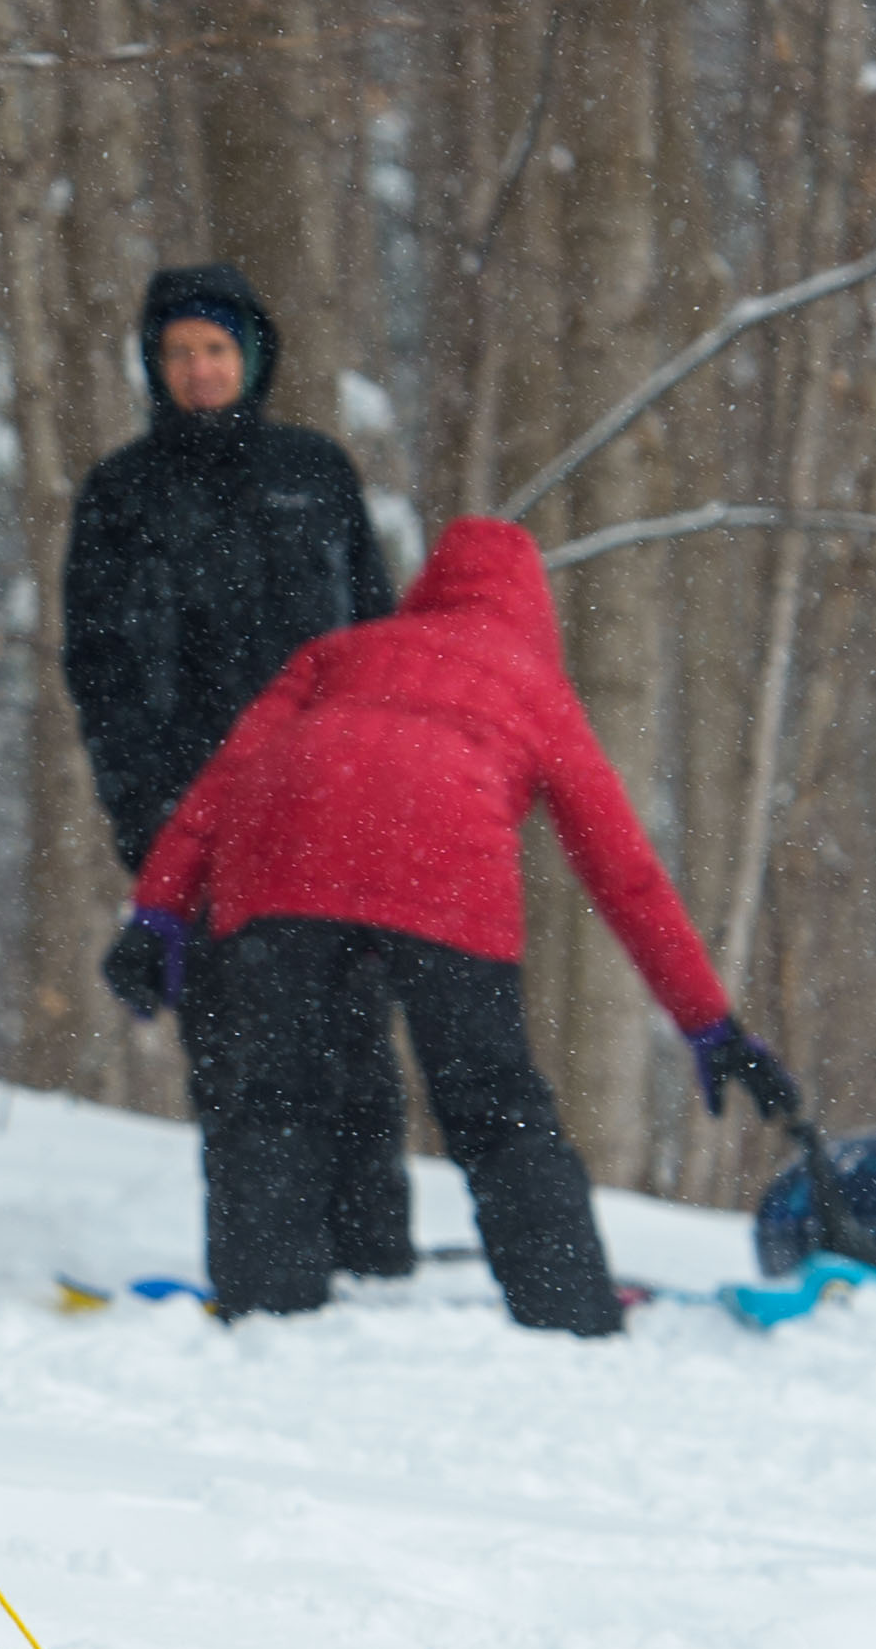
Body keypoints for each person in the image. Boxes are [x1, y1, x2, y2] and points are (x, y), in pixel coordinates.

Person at [104, 516, 798, 1334]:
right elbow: (623, 872)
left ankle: (267, 1308)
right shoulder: (531, 684)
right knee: (495, 1105)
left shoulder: (338, 652)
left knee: (274, 1098)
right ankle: (568, 1312)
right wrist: (709, 1025)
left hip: (286, 857)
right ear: (531, 606)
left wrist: (157, 911)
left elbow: (224, 778)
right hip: (442, 878)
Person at [62, 263, 410, 1277]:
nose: (198, 370)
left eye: (214, 349)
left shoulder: (314, 471)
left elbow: (376, 633)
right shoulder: (120, 493)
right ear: (153, 366)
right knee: (236, 1047)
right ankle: (267, 1268)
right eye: (177, 353)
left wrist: (383, 783)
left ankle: (371, 1258)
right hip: (194, 813)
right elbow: (99, 671)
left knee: (353, 1039)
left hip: (330, 802)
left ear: (249, 357)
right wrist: (145, 820)